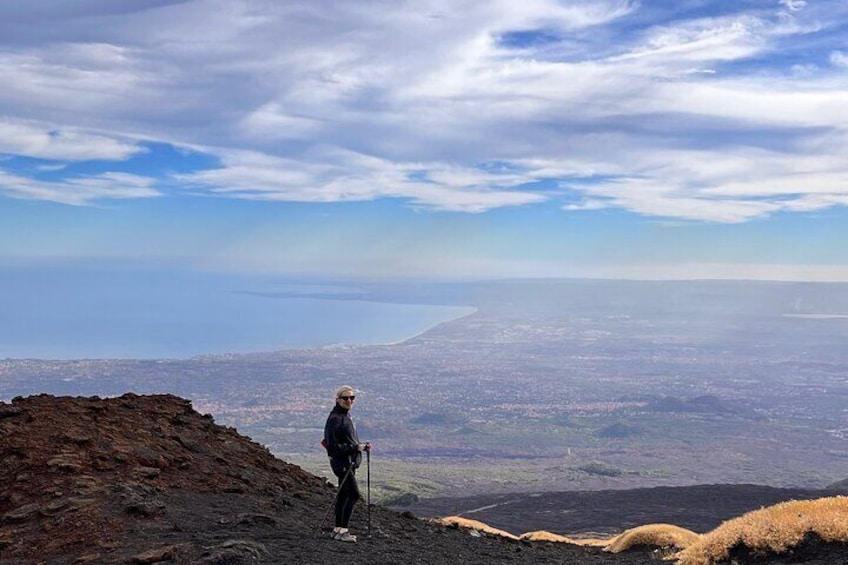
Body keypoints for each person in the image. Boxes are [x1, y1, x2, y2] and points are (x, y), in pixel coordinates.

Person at [323, 385, 370, 542]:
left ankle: (338, 529)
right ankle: (343, 531)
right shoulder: (336, 419)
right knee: (353, 494)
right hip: (342, 463)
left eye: (352, 398)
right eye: (345, 398)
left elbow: (346, 440)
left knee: (343, 494)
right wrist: (356, 447)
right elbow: (332, 446)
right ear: (337, 400)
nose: (349, 400)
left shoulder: (344, 416)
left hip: (348, 462)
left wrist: (360, 446)